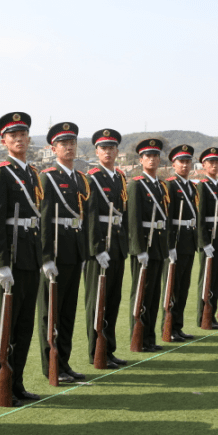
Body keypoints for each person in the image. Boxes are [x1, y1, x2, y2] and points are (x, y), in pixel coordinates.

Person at [0, 112, 43, 406]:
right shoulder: (1, 172)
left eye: (23, 135)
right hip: (12, 256)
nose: (19, 139)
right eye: (13, 135)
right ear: (4, 141)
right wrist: (1, 264)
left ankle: (16, 382)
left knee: (23, 325)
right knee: (5, 323)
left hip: (31, 256)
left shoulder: (32, 173)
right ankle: (0, 385)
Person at [37, 122, 91, 383]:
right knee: (51, 312)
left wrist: (85, 253)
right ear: (53, 148)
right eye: (63, 144)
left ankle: (65, 363)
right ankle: (51, 365)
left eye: (72, 143)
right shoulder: (47, 177)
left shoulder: (80, 178)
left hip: (74, 249)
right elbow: (44, 219)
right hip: (56, 250)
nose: (69, 147)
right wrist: (46, 257)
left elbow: (83, 218)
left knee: (68, 311)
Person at [84, 129, 129, 369]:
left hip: (118, 244)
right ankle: (96, 351)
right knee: (97, 300)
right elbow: (89, 216)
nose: (108, 151)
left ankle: (108, 349)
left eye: (112, 148)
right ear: (96, 152)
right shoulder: (92, 177)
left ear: (117, 151)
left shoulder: (120, 177)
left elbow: (126, 213)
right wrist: (96, 248)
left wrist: (127, 244)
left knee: (112, 300)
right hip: (100, 246)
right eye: (103, 148)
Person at [127, 139, 170, 352]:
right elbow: (133, 220)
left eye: (155, 156)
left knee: (153, 294)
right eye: (148, 156)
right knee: (141, 293)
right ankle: (138, 337)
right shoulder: (136, 184)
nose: (152, 159)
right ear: (141, 160)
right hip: (145, 245)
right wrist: (139, 249)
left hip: (159, 245)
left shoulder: (160, 185)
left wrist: (168, 245)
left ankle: (150, 337)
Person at [162, 144, 198, 342]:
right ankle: (168, 328)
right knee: (172, 287)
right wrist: (169, 245)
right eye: (181, 162)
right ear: (173, 164)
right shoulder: (170, 185)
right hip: (175, 241)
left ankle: (178, 326)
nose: (184, 165)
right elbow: (167, 218)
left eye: (187, 162)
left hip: (188, 240)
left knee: (183, 287)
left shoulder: (191, 186)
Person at [195, 147, 218, 329]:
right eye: (211, 162)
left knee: (216, 278)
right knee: (207, 278)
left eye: (217, 162)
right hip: (209, 237)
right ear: (203, 165)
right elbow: (200, 217)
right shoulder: (202, 186)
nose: (214, 165)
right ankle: (203, 316)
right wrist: (204, 242)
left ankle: (212, 315)